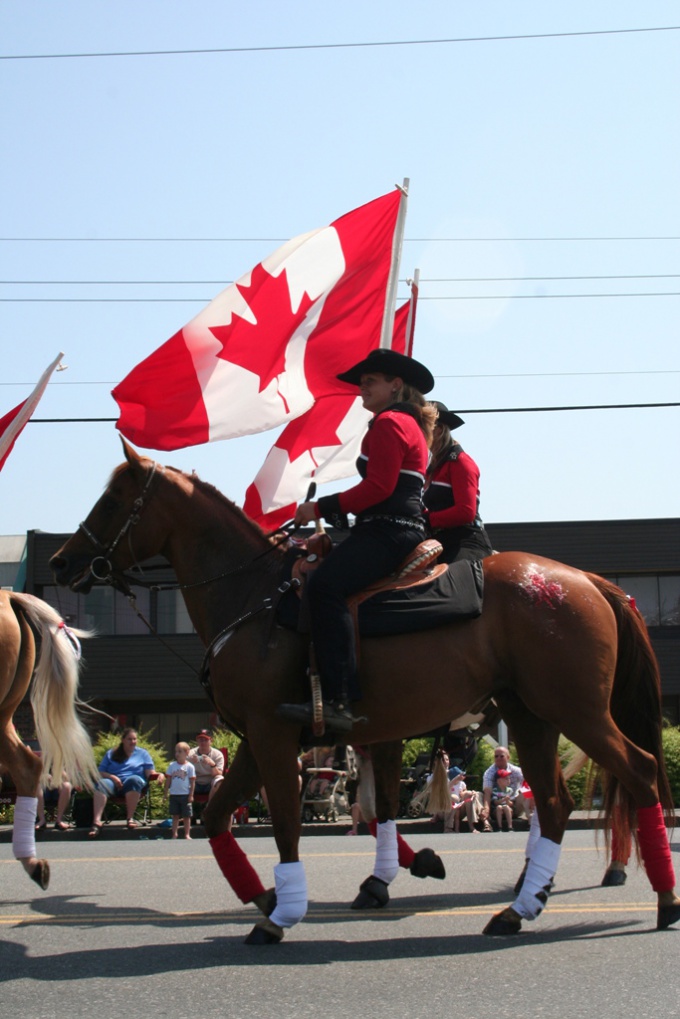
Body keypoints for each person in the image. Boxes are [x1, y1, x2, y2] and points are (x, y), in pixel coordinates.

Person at [279, 348, 437, 731]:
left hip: (387, 530)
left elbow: (379, 487)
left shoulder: (388, 423)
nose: (361, 388)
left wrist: (319, 508)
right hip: (394, 528)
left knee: (325, 588)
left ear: (394, 385)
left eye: (370, 381)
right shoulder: (406, 423)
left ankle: (339, 700)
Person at [423, 401, 493, 563]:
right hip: (441, 540)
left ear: (438, 429)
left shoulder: (460, 462)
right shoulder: (434, 467)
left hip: (466, 541)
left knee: (449, 584)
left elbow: (466, 511)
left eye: (421, 427)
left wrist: (427, 520)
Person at [89, 727, 163, 837]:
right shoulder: (111, 753)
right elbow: (100, 772)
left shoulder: (143, 754)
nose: (133, 742)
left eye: (134, 739)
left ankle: (130, 818)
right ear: (123, 740)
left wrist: (159, 775)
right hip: (113, 784)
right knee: (102, 783)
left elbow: (149, 772)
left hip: (133, 785)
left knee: (134, 779)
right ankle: (96, 822)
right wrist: (113, 777)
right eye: (129, 739)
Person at [480, 746, 526, 830]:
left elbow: (527, 783)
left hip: (514, 804)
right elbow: (487, 792)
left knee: (526, 793)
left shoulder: (516, 771)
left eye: (501, 756)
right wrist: (487, 808)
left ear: (508, 757)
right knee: (478, 795)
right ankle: (494, 824)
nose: (498, 758)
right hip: (496, 807)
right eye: (496, 756)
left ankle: (533, 818)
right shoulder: (489, 773)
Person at [164, 742, 196, 839]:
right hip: (174, 794)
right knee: (175, 816)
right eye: (176, 751)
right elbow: (168, 780)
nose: (177, 754)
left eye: (180, 751)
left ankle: (187, 834)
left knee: (186, 816)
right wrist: (165, 793)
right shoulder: (172, 765)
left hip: (185, 795)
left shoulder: (190, 767)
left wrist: (191, 795)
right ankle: (174, 834)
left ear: (186, 753)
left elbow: (192, 782)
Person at [188, 729, 225, 801]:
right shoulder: (191, 754)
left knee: (220, 780)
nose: (203, 742)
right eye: (201, 740)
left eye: (206, 740)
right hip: (195, 783)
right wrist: (189, 764)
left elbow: (219, 774)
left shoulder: (217, 754)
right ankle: (185, 808)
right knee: (182, 780)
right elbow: (183, 770)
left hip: (210, 784)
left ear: (211, 741)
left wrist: (212, 764)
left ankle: (210, 807)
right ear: (197, 741)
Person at [444, 765, 482, 834]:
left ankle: (471, 826)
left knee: (469, 794)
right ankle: (448, 827)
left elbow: (465, 791)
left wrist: (466, 793)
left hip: (459, 805)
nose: (463, 776)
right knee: (454, 797)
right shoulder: (448, 783)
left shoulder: (462, 784)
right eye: (460, 775)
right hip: (450, 808)